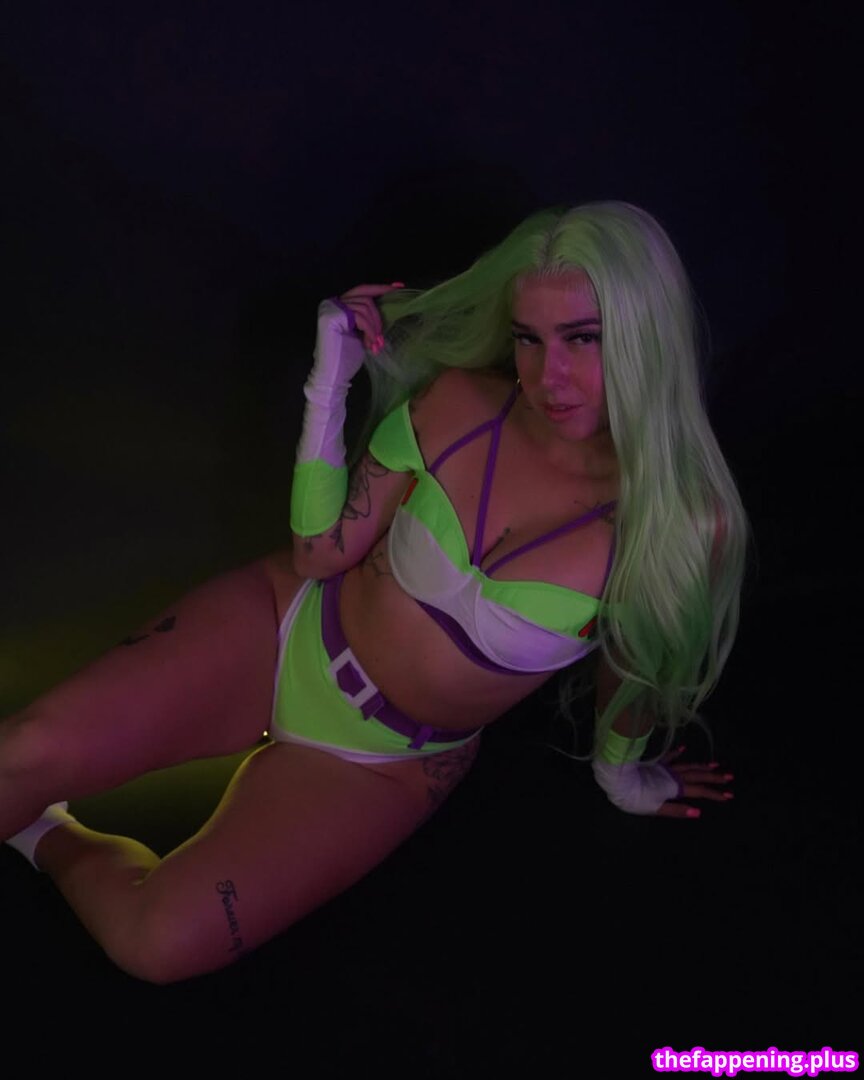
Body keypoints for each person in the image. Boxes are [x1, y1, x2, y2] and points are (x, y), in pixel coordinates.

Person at [1, 200, 749, 984]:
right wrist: (331, 377)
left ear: (645, 333)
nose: (546, 376)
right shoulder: (462, 404)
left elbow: (632, 666)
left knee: (156, 944)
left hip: (383, 762)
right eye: (528, 338)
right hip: (285, 630)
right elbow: (318, 553)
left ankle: (47, 835)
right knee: (24, 752)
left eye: (582, 338)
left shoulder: (681, 526)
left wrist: (621, 774)